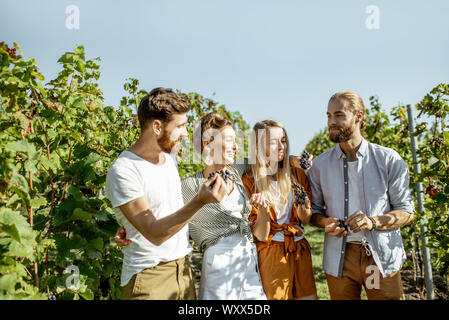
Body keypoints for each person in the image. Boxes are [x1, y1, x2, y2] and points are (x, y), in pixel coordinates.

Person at [105, 88, 229, 300]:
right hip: (150, 277)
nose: (184, 133)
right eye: (179, 126)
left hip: (183, 270)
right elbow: (154, 233)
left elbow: (164, 207)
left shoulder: (169, 156)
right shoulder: (124, 170)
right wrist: (199, 201)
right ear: (156, 126)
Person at [307, 91, 415, 300]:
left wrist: (372, 222)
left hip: (379, 258)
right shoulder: (319, 165)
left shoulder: (388, 159)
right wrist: (324, 222)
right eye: (328, 116)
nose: (331, 122)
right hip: (340, 259)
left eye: (338, 115)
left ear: (358, 115)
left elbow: (407, 212)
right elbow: (314, 212)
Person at [180, 112, 266, 300]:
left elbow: (267, 159)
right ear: (207, 144)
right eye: (229, 140)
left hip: (248, 256)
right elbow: (166, 213)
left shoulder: (235, 171)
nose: (236, 146)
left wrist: (295, 160)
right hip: (219, 262)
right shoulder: (189, 186)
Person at [241, 120, 318, 300]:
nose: (281, 146)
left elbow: (305, 219)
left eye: (283, 140)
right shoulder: (250, 182)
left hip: (299, 247)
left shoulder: (296, 174)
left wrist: (303, 207)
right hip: (271, 252)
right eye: (273, 142)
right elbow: (260, 235)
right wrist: (263, 211)